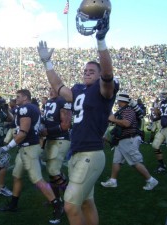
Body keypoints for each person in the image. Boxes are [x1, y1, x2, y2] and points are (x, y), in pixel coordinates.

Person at [37, 7, 118, 225]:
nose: (87, 71)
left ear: (100, 74)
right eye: (85, 70)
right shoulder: (79, 90)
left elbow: (109, 74)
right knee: (85, 203)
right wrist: (47, 63)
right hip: (77, 153)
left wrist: (100, 40)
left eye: (93, 70)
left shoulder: (104, 90)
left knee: (70, 204)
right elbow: (58, 86)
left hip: (91, 153)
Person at [0, 89, 63, 224]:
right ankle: (14, 204)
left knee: (37, 180)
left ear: (26, 97)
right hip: (26, 147)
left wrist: (6, 147)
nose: (16, 99)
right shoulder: (33, 108)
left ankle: (57, 205)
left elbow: (22, 132)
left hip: (29, 148)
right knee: (17, 175)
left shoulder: (25, 108)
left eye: (18, 96)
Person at [100, 93, 158, 190]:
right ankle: (113, 181)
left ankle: (151, 180)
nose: (117, 102)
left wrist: (114, 120)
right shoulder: (124, 110)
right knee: (116, 161)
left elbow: (127, 123)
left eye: (118, 100)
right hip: (122, 140)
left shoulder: (128, 110)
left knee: (135, 162)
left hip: (129, 139)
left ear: (121, 101)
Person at [41, 86, 72, 200]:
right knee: (51, 172)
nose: (51, 91)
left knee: (53, 171)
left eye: (54, 89)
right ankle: (57, 199)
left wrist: (48, 131)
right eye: (49, 89)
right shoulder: (49, 102)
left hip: (60, 139)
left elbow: (65, 125)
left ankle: (70, 197)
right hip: (50, 139)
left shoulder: (63, 101)